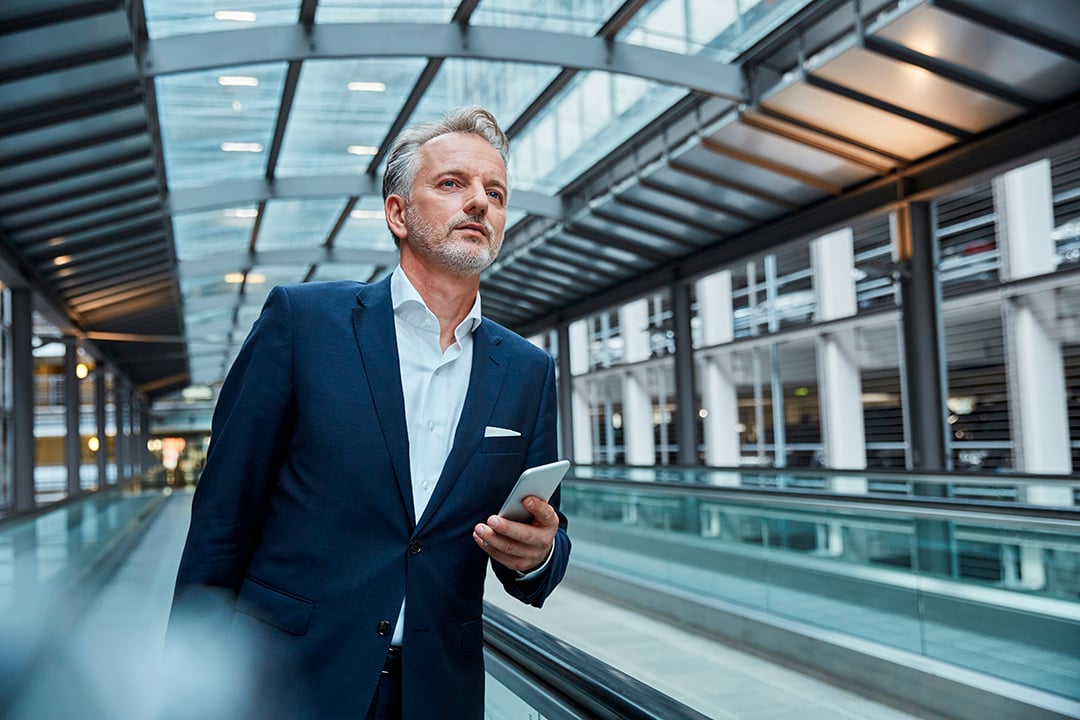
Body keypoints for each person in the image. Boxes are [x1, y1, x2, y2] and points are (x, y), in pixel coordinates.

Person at [167, 106, 570, 720]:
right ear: (397, 213)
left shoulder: (527, 371)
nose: (480, 204)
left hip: (437, 695)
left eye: (495, 192)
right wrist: (184, 683)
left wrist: (538, 553)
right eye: (452, 183)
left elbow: (544, 541)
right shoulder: (302, 324)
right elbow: (223, 519)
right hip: (287, 685)